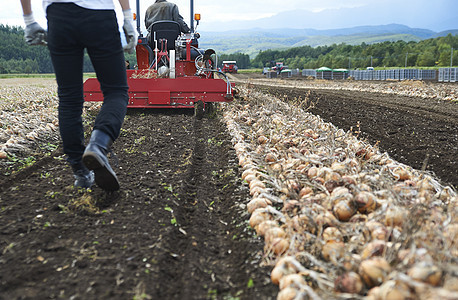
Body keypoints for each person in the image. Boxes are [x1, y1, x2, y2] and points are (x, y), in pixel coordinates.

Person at [20, 0, 138, 191]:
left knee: (69, 98)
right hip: (99, 15)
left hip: (59, 16)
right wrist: (127, 17)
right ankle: (98, 145)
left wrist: (29, 20)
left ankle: (81, 173)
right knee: (116, 91)